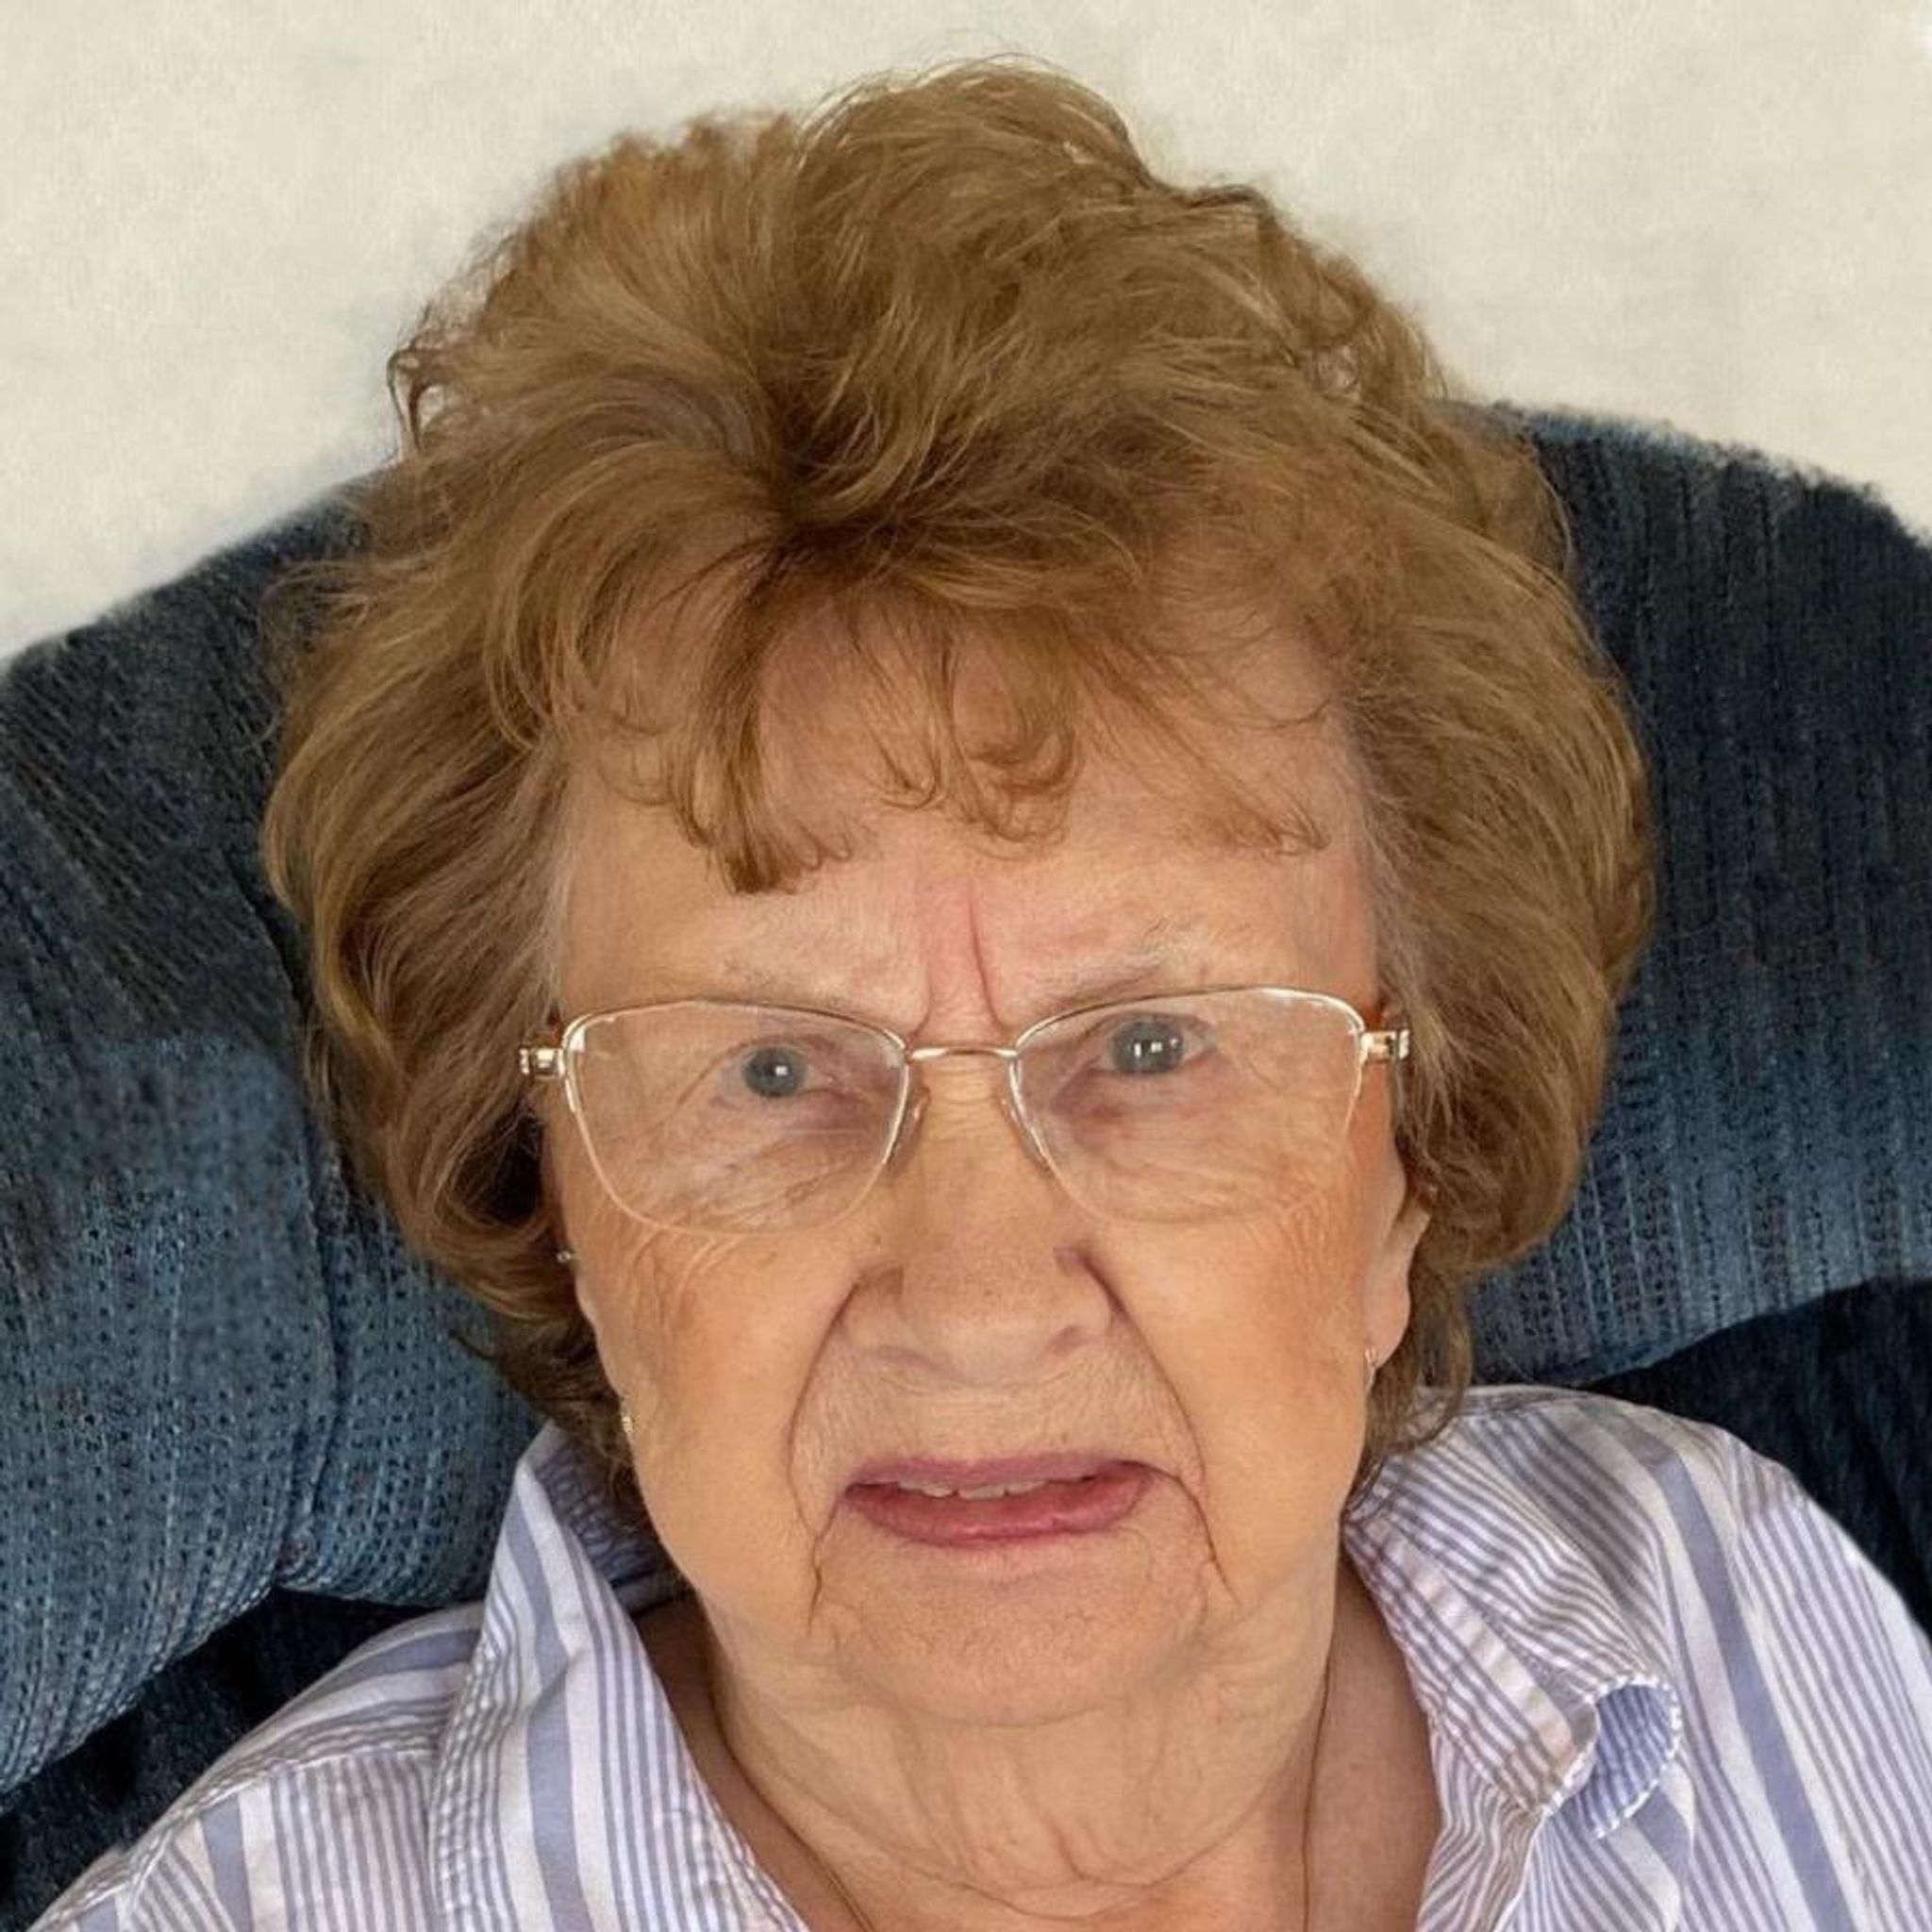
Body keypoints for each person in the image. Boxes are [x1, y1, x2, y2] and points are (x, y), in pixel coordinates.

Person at [38, 57, 1931, 1932]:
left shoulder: (1729, 1606)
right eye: (773, 1069)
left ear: (1411, 1161)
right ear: (554, 1196)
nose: (978, 1301)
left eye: (1152, 1046)